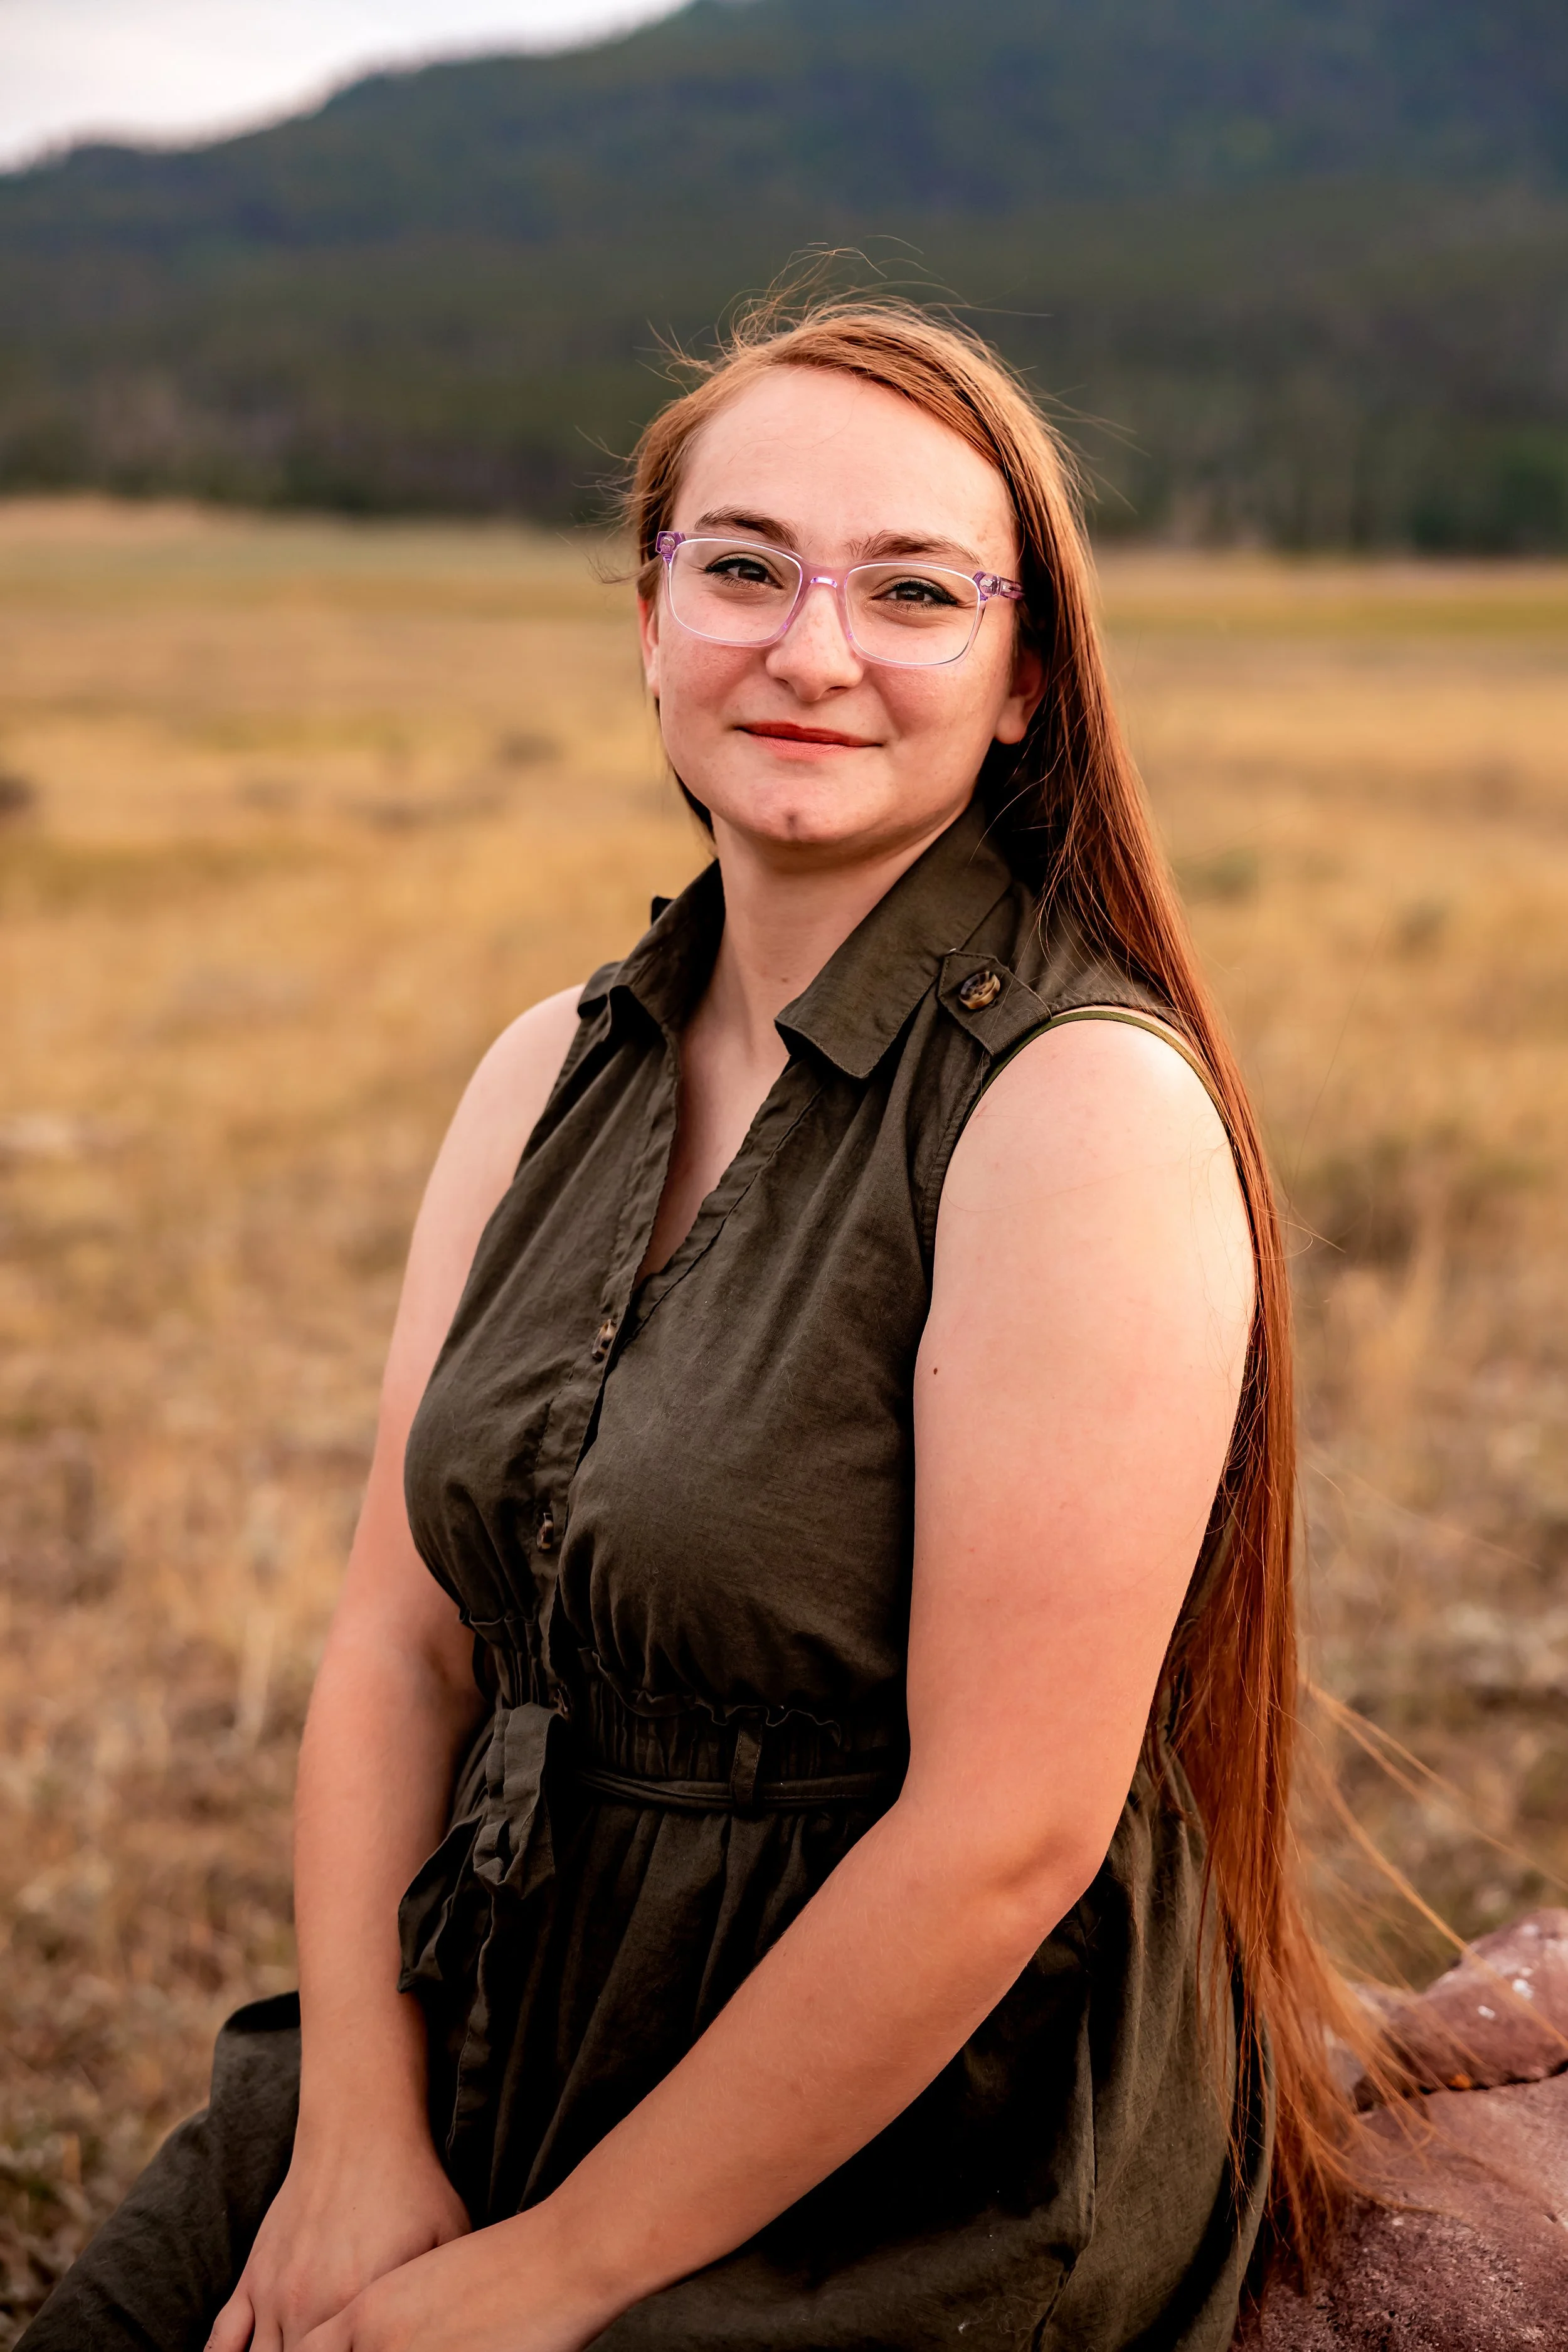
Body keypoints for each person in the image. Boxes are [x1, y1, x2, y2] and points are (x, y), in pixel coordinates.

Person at [23, 302, 1361, 2352]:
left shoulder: (1077, 1113)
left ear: (1022, 682)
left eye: (913, 592)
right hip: (500, 2003)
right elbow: (399, 1642)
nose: (809, 650)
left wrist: (544, 2279)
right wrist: (364, 2133)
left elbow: (1001, 1841)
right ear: (648, 619)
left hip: (912, 2141)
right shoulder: (542, 1068)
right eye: (740, 567)